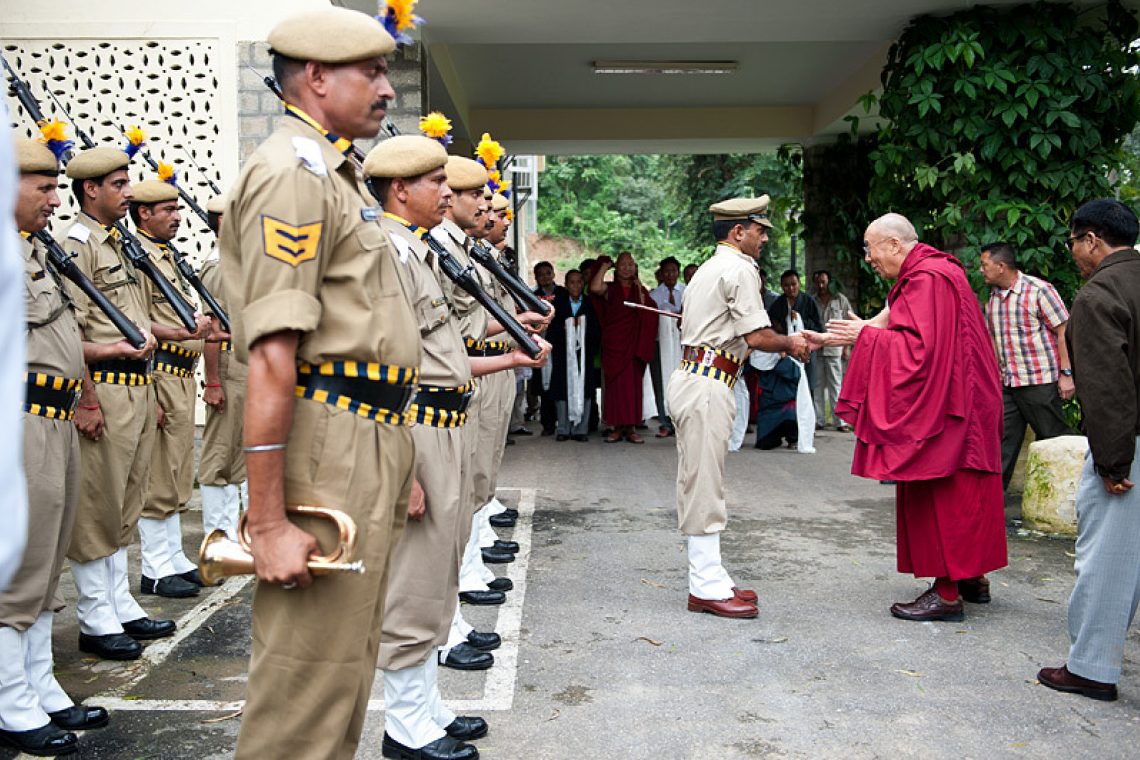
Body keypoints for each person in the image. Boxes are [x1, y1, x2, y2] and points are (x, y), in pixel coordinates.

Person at [219, 9, 422, 758]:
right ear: (315, 78)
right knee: (307, 681)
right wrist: (267, 523)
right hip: (331, 438)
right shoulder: (292, 176)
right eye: (371, 73)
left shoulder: (333, 172)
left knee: (344, 671)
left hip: (365, 434)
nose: (386, 90)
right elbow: (273, 354)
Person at [367, 135, 548, 760]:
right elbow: (385, 365)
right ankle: (405, 726)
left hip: (445, 419)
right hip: (416, 425)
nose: (446, 193)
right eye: (435, 182)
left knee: (441, 573)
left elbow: (443, 350)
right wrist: (404, 466)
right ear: (400, 189)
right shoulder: (387, 255)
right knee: (413, 580)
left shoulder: (415, 252)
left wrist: (510, 356)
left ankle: (427, 706)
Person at [823, 213, 1006, 622]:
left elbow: (918, 351)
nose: (869, 258)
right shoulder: (937, 271)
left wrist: (865, 338)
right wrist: (855, 332)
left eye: (871, 249)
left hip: (950, 404)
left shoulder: (927, 278)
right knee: (968, 491)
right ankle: (971, 577)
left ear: (893, 244)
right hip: (966, 398)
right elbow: (902, 325)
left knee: (939, 491)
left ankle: (945, 594)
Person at [0, 136, 108, 757]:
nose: (52, 198)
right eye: (40, 187)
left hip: (54, 418)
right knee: (20, 566)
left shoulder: (33, 253)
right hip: (19, 421)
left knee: (47, 562)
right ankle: (12, 700)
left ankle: (40, 685)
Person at [670, 196, 810, 619]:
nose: (764, 237)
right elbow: (757, 336)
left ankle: (712, 574)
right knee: (704, 484)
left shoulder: (712, 268)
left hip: (703, 379)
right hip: (708, 383)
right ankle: (705, 586)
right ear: (738, 232)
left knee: (702, 479)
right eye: (759, 229)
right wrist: (792, 343)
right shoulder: (738, 268)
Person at [64, 145, 170, 661]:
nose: (129, 193)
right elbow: (70, 334)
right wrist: (86, 399)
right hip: (102, 387)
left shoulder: (119, 244)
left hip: (136, 384)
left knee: (127, 501)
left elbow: (138, 321)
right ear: (90, 189)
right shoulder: (76, 245)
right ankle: (94, 616)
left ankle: (119, 601)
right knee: (97, 506)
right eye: (119, 184)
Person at [1037, 199, 1140, 703]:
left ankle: (1091, 668)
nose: (1074, 252)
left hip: (1129, 445)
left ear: (1093, 239)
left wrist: (1113, 463)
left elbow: (1107, 389)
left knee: (1107, 560)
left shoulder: (1100, 294)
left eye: (1074, 241)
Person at [131, 178, 212, 599]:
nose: (177, 217)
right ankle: (155, 567)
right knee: (158, 475)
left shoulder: (167, 255)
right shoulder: (139, 257)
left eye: (177, 209)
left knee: (177, 473)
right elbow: (140, 319)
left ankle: (173, 559)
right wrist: (185, 332)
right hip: (160, 372)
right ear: (144, 213)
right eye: (167, 210)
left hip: (181, 373)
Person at [979, 242, 1076, 491]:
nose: (981, 270)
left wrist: (1066, 374)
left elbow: (1063, 330)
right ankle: (990, 508)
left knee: (1054, 439)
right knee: (1001, 444)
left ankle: (1066, 498)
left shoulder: (1038, 290)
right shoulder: (994, 299)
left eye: (985, 265)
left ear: (1001, 267)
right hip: (1009, 382)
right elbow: (993, 339)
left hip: (1038, 381)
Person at [197, 194, 246, 541]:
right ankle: (218, 538)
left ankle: (238, 533)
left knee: (241, 453)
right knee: (220, 455)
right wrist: (213, 381)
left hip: (246, 363)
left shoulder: (238, 261)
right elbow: (211, 330)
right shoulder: (217, 266)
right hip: (228, 365)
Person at [589, 251, 658, 443]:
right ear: (616, 268)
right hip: (615, 344)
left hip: (633, 346)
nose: (627, 267)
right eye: (623, 264)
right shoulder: (610, 288)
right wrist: (604, 266)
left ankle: (631, 427)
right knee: (615, 388)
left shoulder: (640, 290)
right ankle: (616, 427)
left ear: (636, 268)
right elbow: (594, 288)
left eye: (631, 264)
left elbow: (650, 313)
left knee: (632, 387)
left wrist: (641, 295)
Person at [546, 269, 602, 441]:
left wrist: (582, 328)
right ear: (566, 284)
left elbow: (596, 330)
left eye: (579, 282)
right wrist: (567, 328)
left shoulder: (589, 304)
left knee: (584, 391)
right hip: (563, 356)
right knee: (562, 391)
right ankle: (563, 429)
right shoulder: (558, 304)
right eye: (572, 282)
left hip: (583, 356)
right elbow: (550, 330)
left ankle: (580, 429)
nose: (576, 285)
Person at [810, 270, 852, 431]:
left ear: (829, 282)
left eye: (823, 282)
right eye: (818, 282)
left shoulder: (840, 300)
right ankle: (819, 420)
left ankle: (840, 421)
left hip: (835, 347)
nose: (821, 286)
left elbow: (849, 322)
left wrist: (846, 347)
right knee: (818, 385)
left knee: (836, 385)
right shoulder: (812, 300)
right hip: (817, 349)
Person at [767, 270, 821, 395]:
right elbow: (772, 326)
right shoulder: (778, 304)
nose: (791, 288)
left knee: (807, 386)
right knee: (788, 386)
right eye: (786, 285)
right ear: (781, 286)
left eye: (793, 284)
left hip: (806, 350)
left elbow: (818, 328)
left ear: (799, 284)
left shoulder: (808, 301)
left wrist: (800, 319)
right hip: (786, 352)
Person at [649, 256, 684, 437]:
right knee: (661, 381)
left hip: (682, 343)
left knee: (682, 381)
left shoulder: (687, 292)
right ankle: (665, 421)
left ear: (678, 272)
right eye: (667, 271)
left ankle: (681, 421)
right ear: (661, 274)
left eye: (674, 270)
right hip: (660, 344)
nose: (671, 274)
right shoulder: (654, 295)